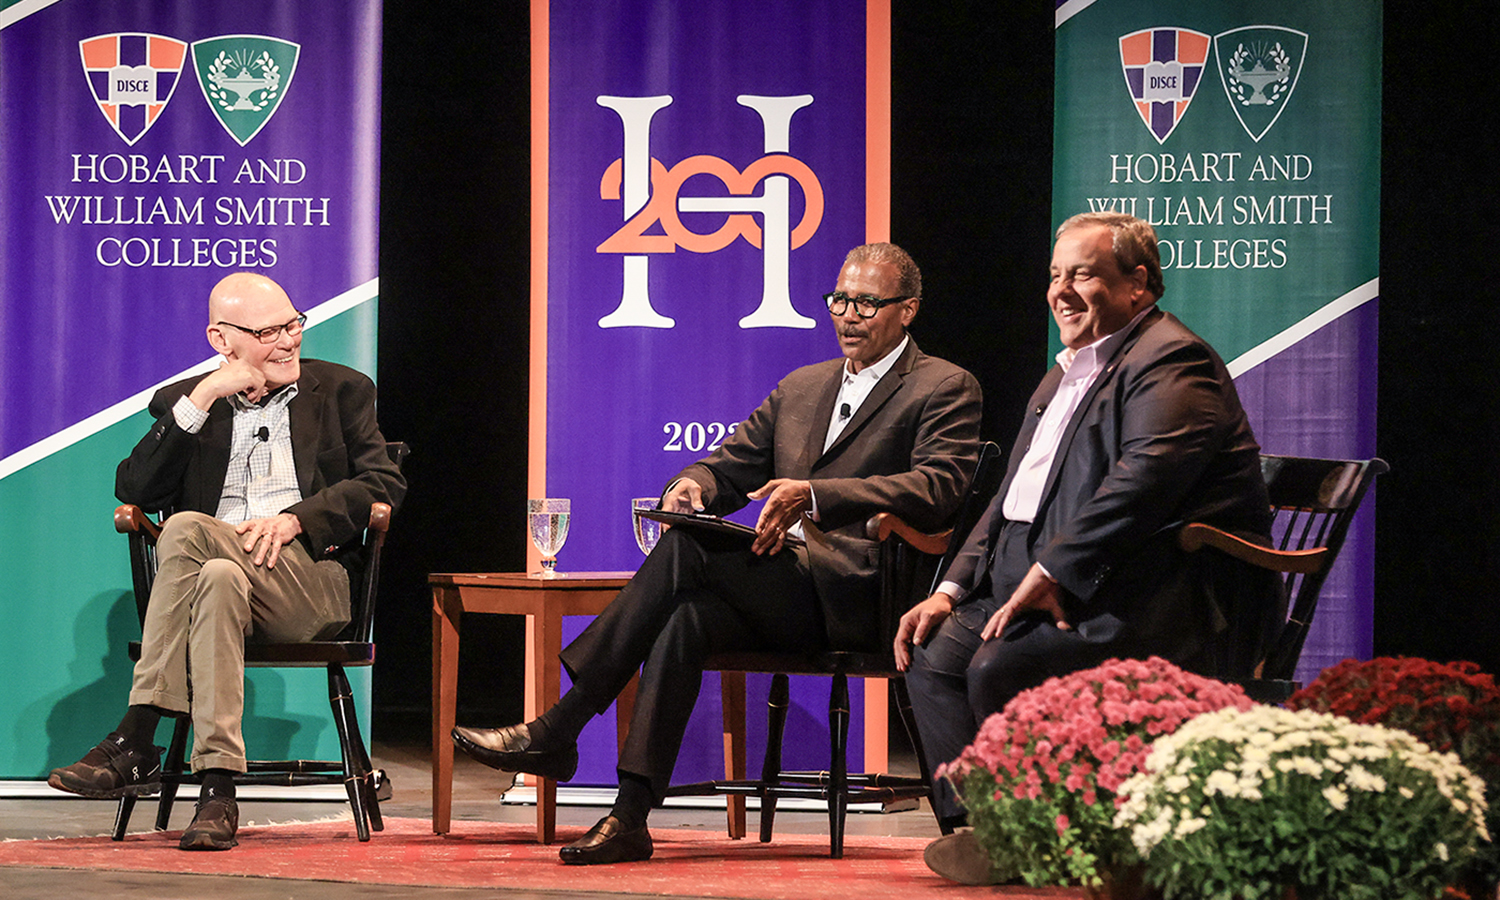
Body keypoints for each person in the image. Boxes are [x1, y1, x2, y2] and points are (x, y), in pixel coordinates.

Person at [453, 242, 983, 864]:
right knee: (685, 617)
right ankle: (629, 817)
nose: (848, 314)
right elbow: (732, 465)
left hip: (861, 595)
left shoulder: (943, 385)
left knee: (686, 554)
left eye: (867, 303)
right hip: (782, 587)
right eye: (840, 299)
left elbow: (937, 486)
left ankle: (559, 728)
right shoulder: (803, 386)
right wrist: (696, 483)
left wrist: (816, 494)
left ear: (907, 310)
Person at [895, 212, 1278, 883]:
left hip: (1151, 594)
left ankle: (1024, 832)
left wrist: (1055, 570)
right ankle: (983, 831)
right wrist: (950, 589)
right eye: (1054, 275)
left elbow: (1144, 482)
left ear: (1138, 284)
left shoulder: (1172, 359)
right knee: (932, 654)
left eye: (1082, 274)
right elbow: (1011, 495)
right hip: (1046, 582)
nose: (1061, 291)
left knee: (994, 669)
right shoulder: (1068, 370)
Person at [47, 272, 406, 851]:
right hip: (219, 588)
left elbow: (384, 481)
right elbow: (134, 488)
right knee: (214, 574)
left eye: (294, 323)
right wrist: (206, 396)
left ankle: (138, 735)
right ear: (222, 339)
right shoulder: (188, 402)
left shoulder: (342, 390)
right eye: (269, 331)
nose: (290, 340)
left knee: (187, 529)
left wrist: (297, 518)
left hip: (309, 582)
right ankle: (218, 791)